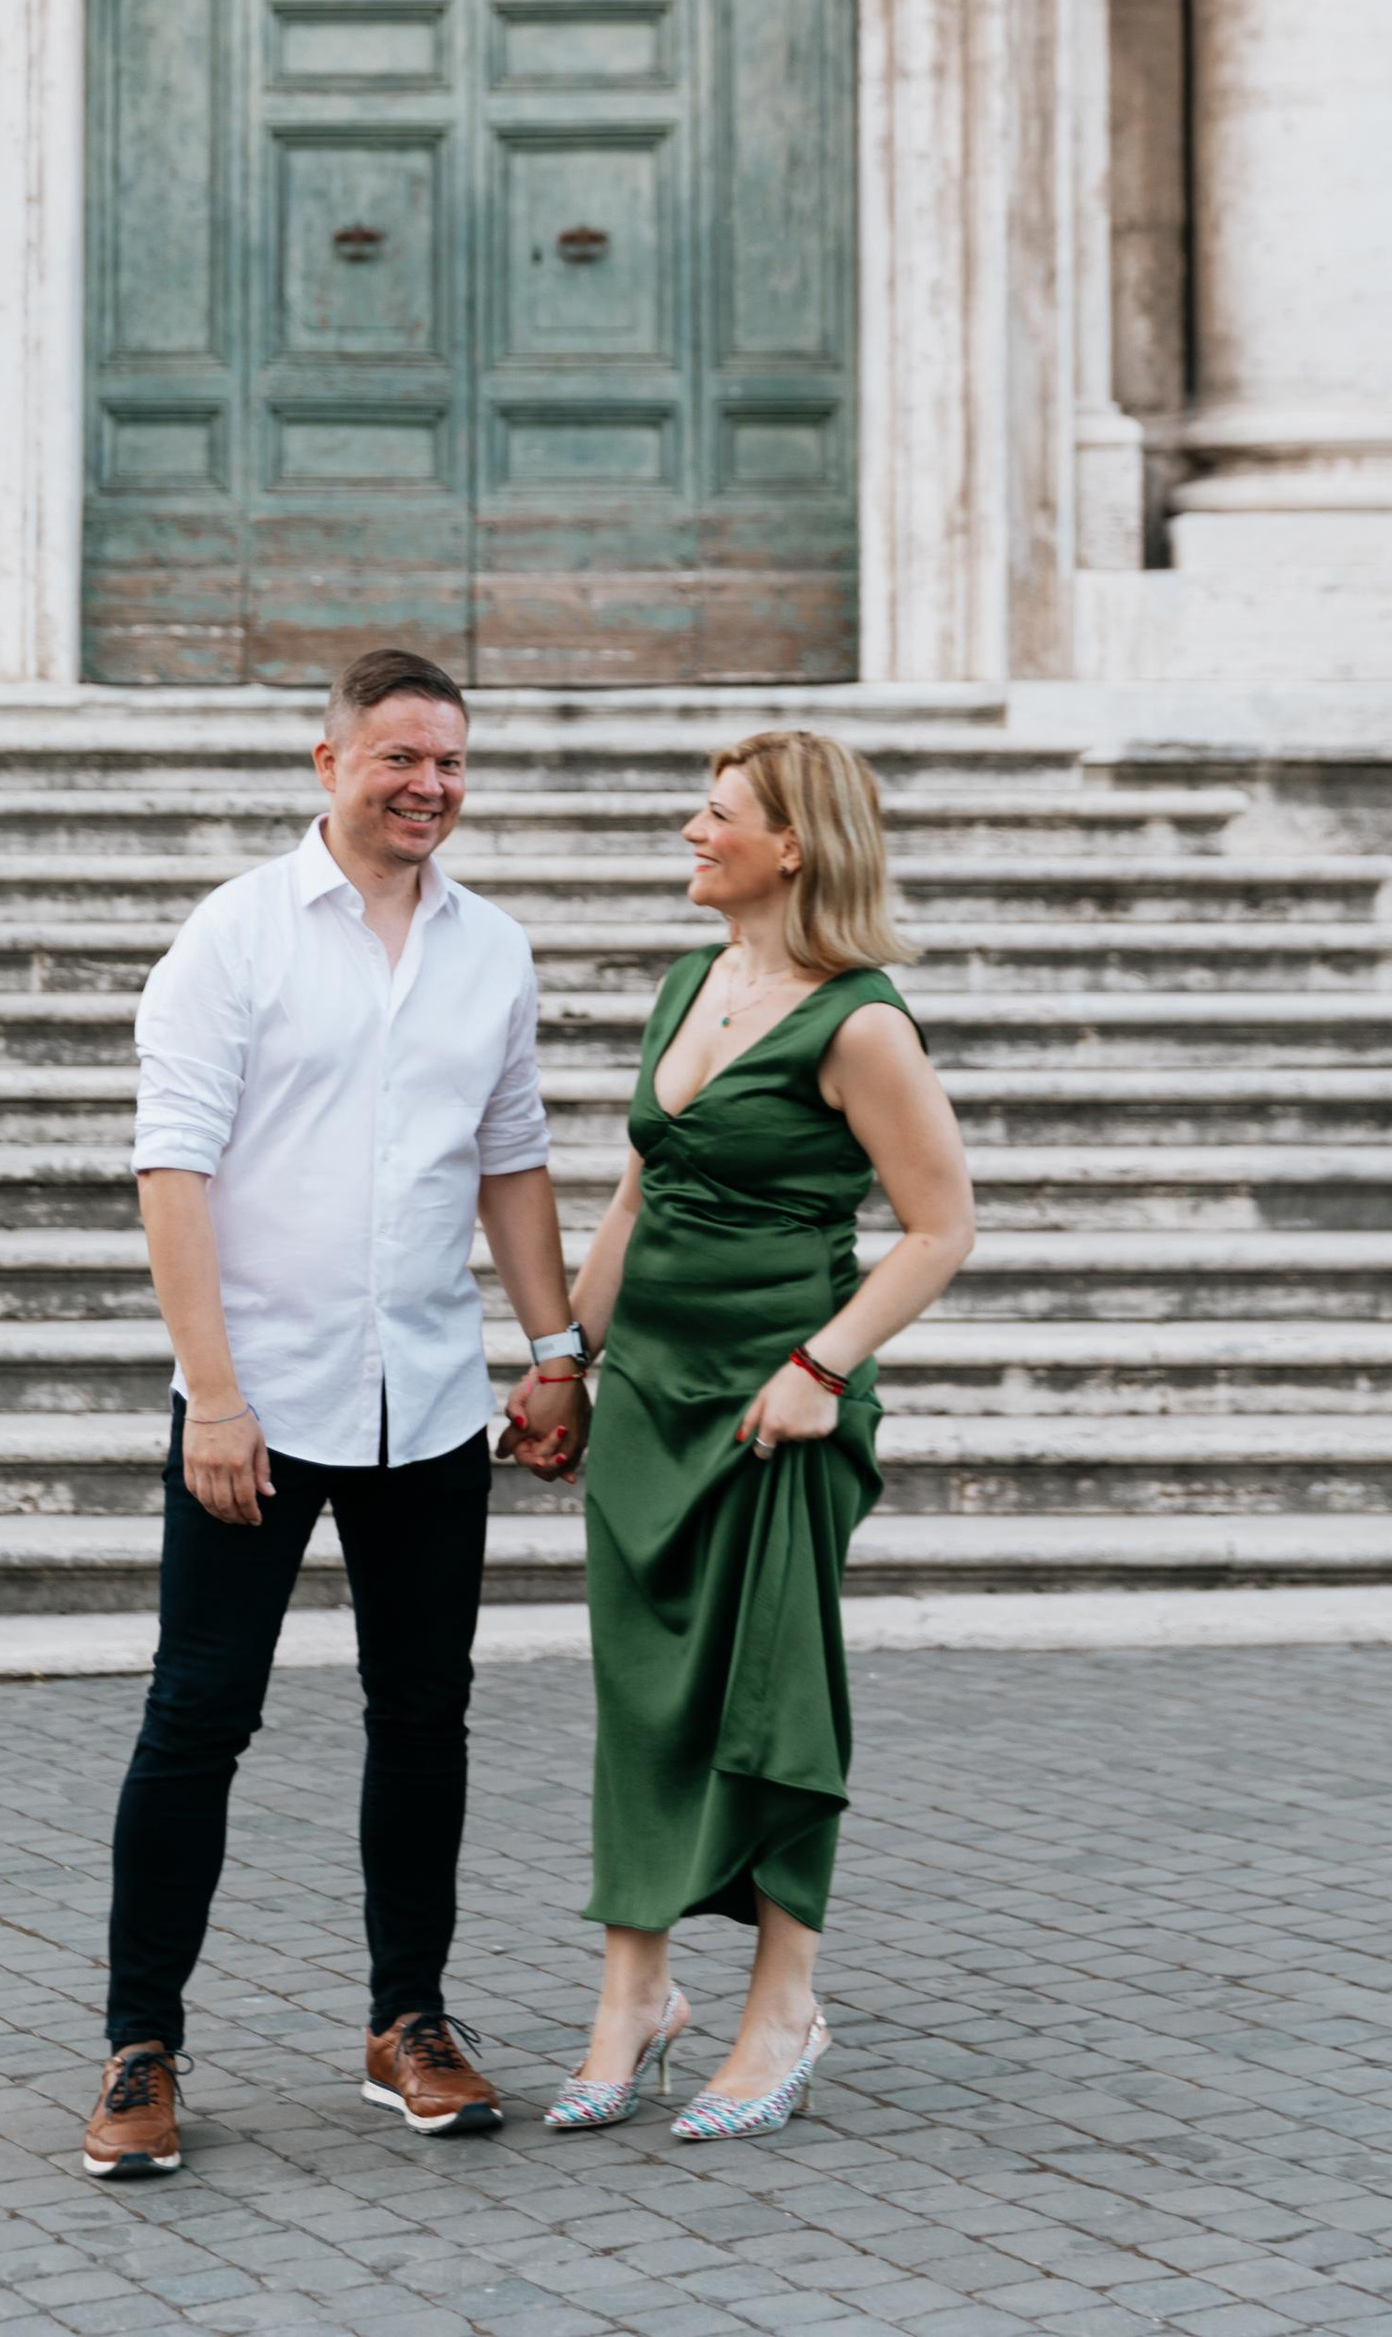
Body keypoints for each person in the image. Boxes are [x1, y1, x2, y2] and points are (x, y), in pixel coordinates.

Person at [81, 645, 591, 2181]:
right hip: (260, 1402)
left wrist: (557, 1346)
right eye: (399, 759)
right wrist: (214, 1400)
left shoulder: (491, 951)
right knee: (196, 1722)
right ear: (329, 764)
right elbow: (172, 1175)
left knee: (422, 1720)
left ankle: (408, 2024)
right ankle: (140, 2043)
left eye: (449, 762)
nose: (428, 785)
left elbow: (510, 1160)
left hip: (428, 1400)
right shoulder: (231, 940)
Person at [534, 729, 976, 2143]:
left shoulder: (861, 1024)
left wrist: (820, 1367)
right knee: (642, 1700)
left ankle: (783, 2009)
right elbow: (632, 1201)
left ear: (793, 846)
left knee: (770, 1700)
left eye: (714, 814)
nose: (688, 830)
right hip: (650, 1400)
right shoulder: (690, 982)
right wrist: (564, 1361)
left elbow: (941, 1227)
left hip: (776, 1408)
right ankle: (634, 2000)